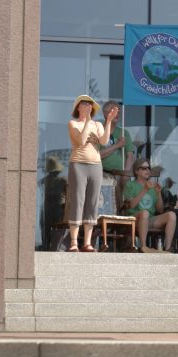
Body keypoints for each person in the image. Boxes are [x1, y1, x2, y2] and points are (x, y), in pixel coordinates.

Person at [66, 95, 116, 252]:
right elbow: (80, 141)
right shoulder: (73, 123)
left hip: (95, 166)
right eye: (84, 104)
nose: (88, 106)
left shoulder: (97, 124)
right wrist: (87, 121)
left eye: (90, 104)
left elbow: (104, 141)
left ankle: (87, 242)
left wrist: (108, 121)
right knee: (78, 201)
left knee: (92, 202)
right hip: (78, 165)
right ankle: (74, 242)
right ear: (78, 107)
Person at [122, 158, 177, 253]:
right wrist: (144, 190)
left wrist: (158, 193)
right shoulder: (130, 185)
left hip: (149, 219)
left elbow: (159, 210)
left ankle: (167, 248)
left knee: (171, 215)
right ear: (136, 171)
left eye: (148, 168)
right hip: (134, 218)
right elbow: (131, 205)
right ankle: (143, 246)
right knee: (144, 213)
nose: (147, 170)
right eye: (144, 168)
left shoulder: (152, 187)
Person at [99, 100, 134, 172]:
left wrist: (126, 174)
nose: (117, 114)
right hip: (103, 174)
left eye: (118, 112)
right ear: (105, 114)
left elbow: (130, 156)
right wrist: (117, 145)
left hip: (121, 174)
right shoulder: (97, 131)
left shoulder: (124, 133)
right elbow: (96, 156)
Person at [40, 156, 67, 250]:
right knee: (58, 230)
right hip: (58, 208)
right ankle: (56, 247)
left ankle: (47, 247)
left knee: (46, 230)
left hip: (47, 208)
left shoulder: (44, 180)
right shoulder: (62, 179)